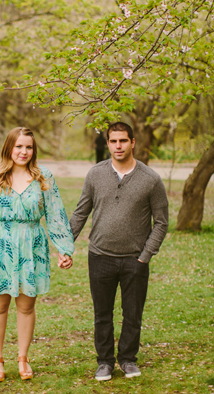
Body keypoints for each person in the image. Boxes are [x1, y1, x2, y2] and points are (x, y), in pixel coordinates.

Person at [70, 122, 168, 381]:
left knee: (132, 314)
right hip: (100, 256)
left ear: (133, 142)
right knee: (102, 314)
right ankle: (104, 362)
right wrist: (66, 245)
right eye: (113, 141)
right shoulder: (95, 174)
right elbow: (81, 212)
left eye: (123, 141)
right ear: (108, 143)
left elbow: (161, 222)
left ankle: (127, 359)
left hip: (135, 259)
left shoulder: (151, 179)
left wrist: (145, 255)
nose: (118, 146)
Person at [0, 127, 75, 382]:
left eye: (28, 147)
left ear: (34, 150)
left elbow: (55, 214)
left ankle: (23, 357)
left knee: (26, 306)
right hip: (0, 246)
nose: (23, 152)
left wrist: (64, 248)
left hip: (32, 246)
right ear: (9, 147)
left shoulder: (43, 177)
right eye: (19, 146)